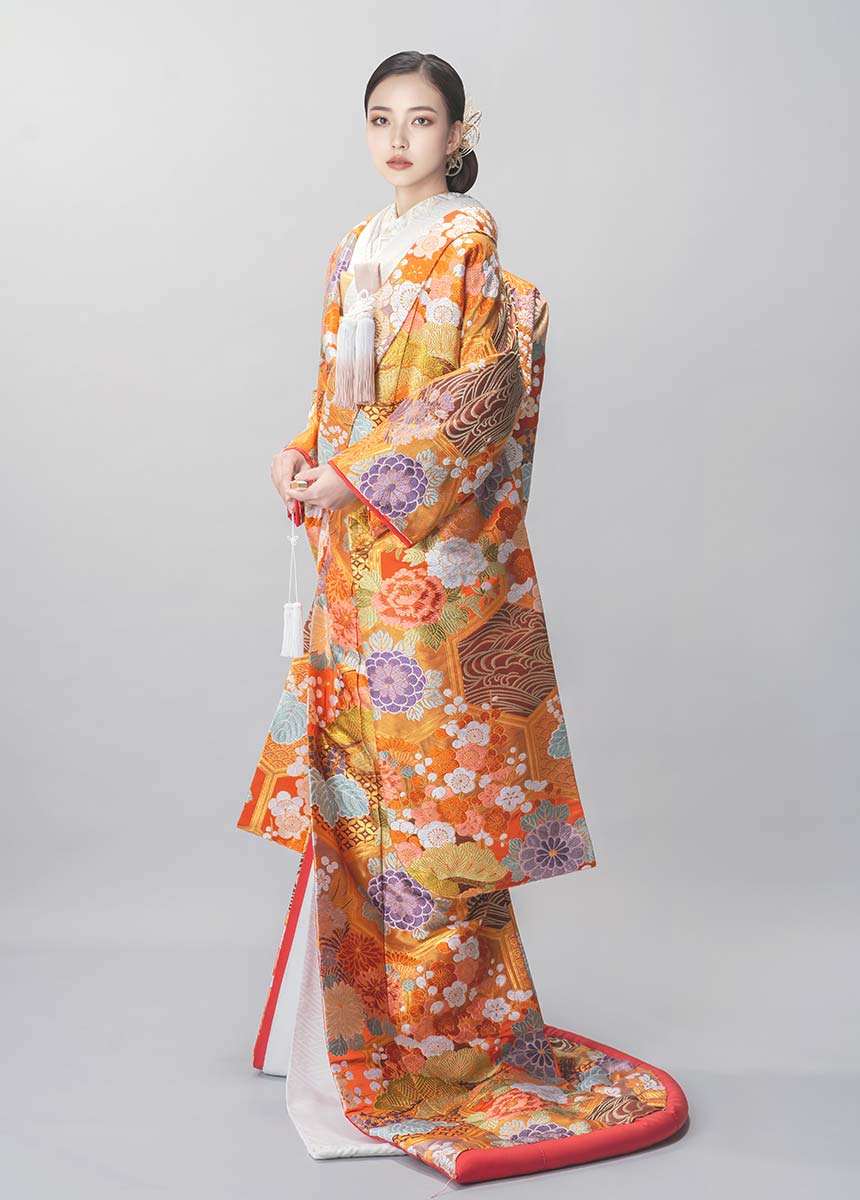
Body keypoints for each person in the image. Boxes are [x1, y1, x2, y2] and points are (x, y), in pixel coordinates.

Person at [237, 50, 688, 1184]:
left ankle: (445, 1041)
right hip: (355, 550)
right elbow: (338, 394)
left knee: (436, 802)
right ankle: (356, 1027)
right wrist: (303, 453)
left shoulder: (465, 237)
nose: (398, 140)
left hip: (430, 564)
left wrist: (359, 479)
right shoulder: (354, 245)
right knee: (359, 777)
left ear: (457, 132)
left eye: (421, 120)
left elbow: (469, 402)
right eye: (381, 119)